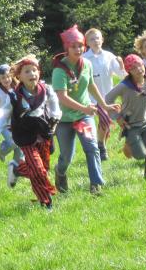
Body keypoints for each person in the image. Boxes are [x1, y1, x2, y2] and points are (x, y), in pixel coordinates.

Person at [51, 25, 120, 194]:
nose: (78, 49)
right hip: (65, 120)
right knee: (67, 156)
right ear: (67, 48)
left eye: (80, 45)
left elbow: (91, 85)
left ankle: (96, 185)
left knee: (91, 147)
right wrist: (85, 107)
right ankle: (60, 172)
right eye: (73, 46)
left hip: (83, 118)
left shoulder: (87, 64)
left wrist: (104, 105)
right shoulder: (59, 70)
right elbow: (62, 97)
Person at [4, 56, 61, 209]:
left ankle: (17, 169)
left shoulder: (46, 89)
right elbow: (3, 114)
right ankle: (46, 202)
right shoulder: (14, 96)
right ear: (19, 76)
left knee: (42, 168)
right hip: (25, 136)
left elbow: (54, 105)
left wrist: (54, 120)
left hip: (43, 133)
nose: (32, 74)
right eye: (27, 71)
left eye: (34, 70)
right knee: (38, 170)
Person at [83, 28, 127, 161]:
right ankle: (98, 146)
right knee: (101, 122)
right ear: (87, 43)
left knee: (105, 122)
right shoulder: (84, 59)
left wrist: (121, 66)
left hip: (107, 97)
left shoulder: (109, 56)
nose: (95, 41)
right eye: (92, 39)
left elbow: (122, 76)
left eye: (97, 38)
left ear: (102, 40)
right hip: (90, 98)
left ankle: (101, 145)